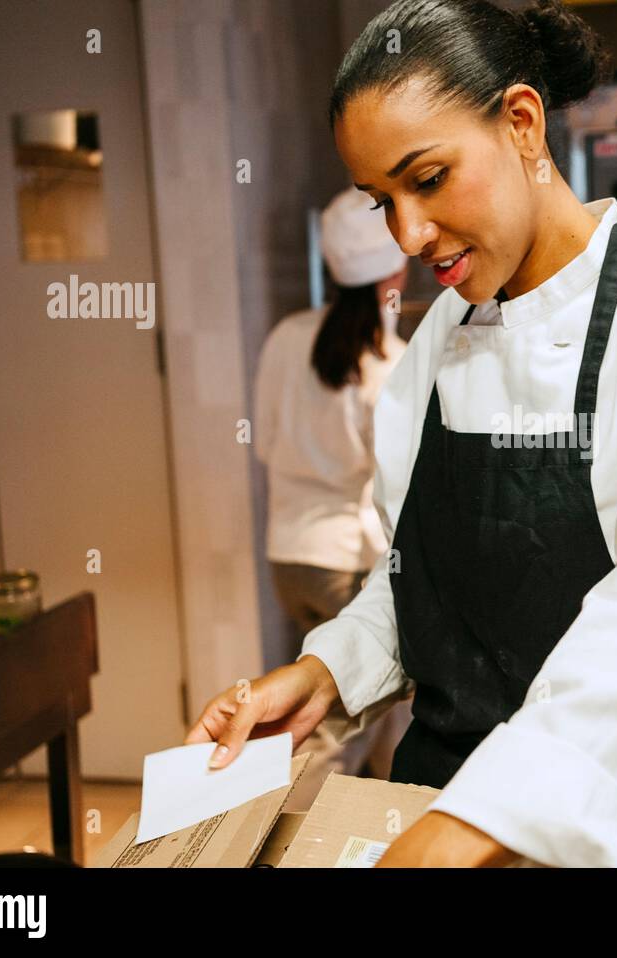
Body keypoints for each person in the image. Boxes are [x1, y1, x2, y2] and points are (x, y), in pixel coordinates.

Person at [190, 0, 617, 868]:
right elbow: (422, 579)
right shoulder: (434, 348)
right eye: (383, 202)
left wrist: (481, 825)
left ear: (523, 123)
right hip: (443, 803)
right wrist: (327, 672)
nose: (408, 235)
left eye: (429, 178)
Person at [252, 188, 414, 812]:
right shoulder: (390, 363)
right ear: (394, 269)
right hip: (348, 565)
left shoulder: (285, 337)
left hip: (287, 558)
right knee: (337, 723)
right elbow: (388, 493)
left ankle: (386, 819)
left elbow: (265, 445)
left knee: (377, 708)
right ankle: (281, 830)